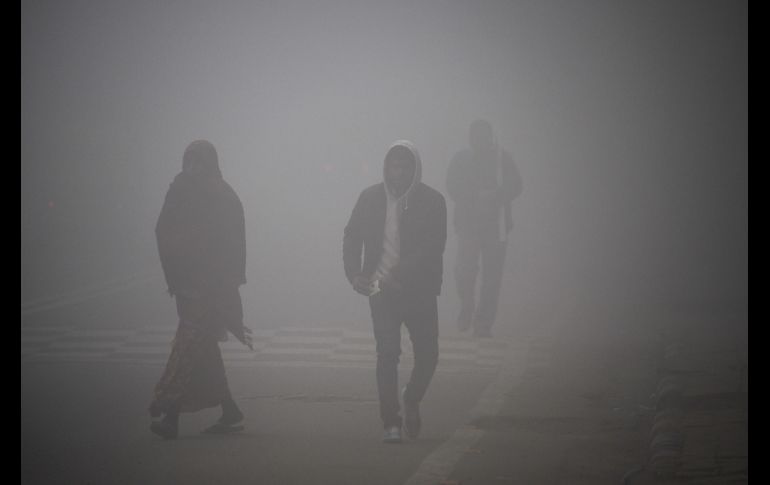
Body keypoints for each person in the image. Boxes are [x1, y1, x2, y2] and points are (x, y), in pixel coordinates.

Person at [343, 140, 447, 443]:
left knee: (428, 356)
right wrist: (355, 275)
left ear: (415, 170)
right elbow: (351, 236)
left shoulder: (433, 201)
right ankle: (390, 421)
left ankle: (411, 397)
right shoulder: (370, 198)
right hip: (379, 291)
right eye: (394, 166)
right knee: (387, 352)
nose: (398, 173)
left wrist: (398, 274)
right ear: (386, 167)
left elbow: (432, 247)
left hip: (419, 291)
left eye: (405, 167)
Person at [148, 140, 252, 439]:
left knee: (187, 347)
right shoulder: (179, 189)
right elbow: (164, 229)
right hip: (186, 285)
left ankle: (169, 413)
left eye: (199, 163)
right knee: (203, 349)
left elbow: (232, 243)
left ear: (211, 165)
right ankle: (229, 410)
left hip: (210, 288)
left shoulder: (221, 194)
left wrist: (225, 283)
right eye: (188, 162)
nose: (193, 169)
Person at [446, 120, 522, 337]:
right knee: (464, 270)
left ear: (491, 137)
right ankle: (467, 305)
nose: (480, 140)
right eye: (475, 136)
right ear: (470, 138)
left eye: (484, 136)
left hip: (496, 229)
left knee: (492, 279)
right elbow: (451, 185)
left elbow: (517, 184)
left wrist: (497, 196)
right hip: (468, 225)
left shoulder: (502, 159)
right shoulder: (461, 159)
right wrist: (474, 196)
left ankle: (483, 325)